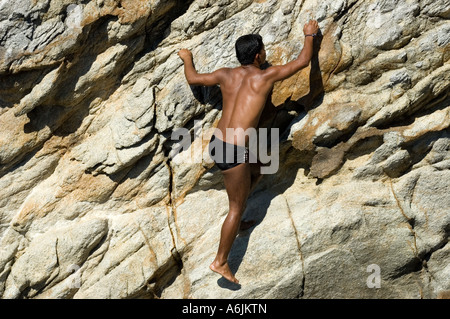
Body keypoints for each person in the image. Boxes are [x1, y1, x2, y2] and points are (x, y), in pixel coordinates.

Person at [178, 19, 320, 284]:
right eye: (263, 50)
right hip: (233, 151)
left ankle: (236, 221)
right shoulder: (266, 75)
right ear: (258, 55)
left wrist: (187, 58)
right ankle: (221, 261)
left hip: (218, 143)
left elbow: (193, 78)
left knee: (261, 167)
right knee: (236, 206)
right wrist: (309, 35)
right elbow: (302, 61)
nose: (265, 53)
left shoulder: (225, 74)